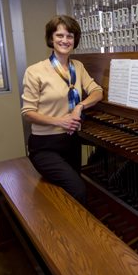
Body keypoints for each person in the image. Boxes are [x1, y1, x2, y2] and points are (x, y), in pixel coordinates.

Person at [21, 15, 103, 205]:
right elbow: (28, 113)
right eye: (60, 35)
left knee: (72, 191)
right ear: (51, 38)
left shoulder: (78, 67)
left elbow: (97, 91)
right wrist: (61, 121)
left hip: (71, 142)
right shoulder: (35, 71)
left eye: (70, 36)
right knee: (78, 190)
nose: (65, 40)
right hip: (44, 146)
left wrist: (80, 107)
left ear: (75, 40)